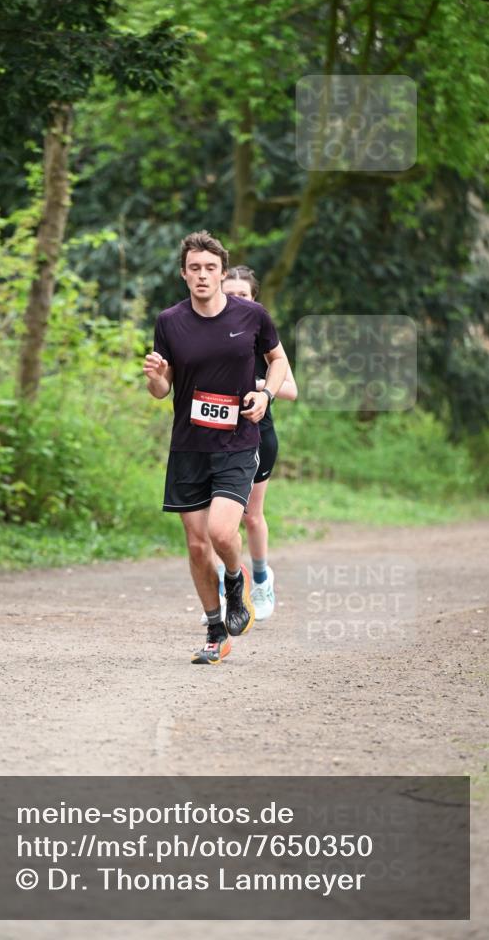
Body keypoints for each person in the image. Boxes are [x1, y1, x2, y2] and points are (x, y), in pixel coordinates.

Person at [143, 230, 288, 665]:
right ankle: (214, 630)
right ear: (184, 275)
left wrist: (266, 396)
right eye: (194, 269)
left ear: (223, 274)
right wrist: (154, 376)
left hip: (238, 442)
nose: (202, 276)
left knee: (223, 533)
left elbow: (278, 360)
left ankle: (234, 579)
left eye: (210, 268)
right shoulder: (169, 322)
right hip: (189, 446)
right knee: (194, 545)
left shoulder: (252, 316)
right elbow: (161, 390)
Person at [203, 266, 298, 625]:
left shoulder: (261, 332)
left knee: (249, 515)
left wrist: (259, 384)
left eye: (244, 294)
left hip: (258, 436)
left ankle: (261, 581)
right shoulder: (206, 329)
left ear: (254, 299)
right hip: (213, 438)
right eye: (232, 293)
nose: (237, 299)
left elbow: (292, 388)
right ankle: (225, 596)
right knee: (214, 522)